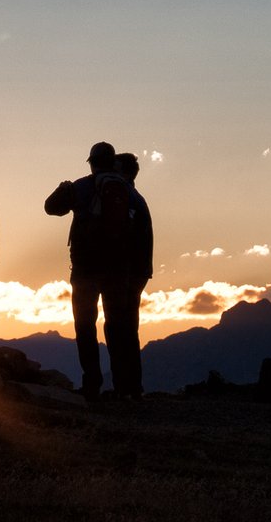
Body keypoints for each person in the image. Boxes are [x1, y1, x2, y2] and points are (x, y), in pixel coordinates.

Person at [44, 142, 140, 401]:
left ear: (91, 162)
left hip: (86, 269)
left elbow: (51, 207)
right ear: (112, 161)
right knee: (117, 326)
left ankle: (92, 384)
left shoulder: (81, 187)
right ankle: (122, 386)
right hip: (118, 270)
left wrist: (62, 189)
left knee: (85, 326)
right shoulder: (126, 191)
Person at [115, 151, 154, 399]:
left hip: (130, 271)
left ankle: (128, 386)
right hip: (137, 271)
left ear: (127, 173)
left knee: (123, 327)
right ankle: (131, 385)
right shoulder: (136, 198)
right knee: (128, 326)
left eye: (116, 169)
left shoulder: (127, 198)